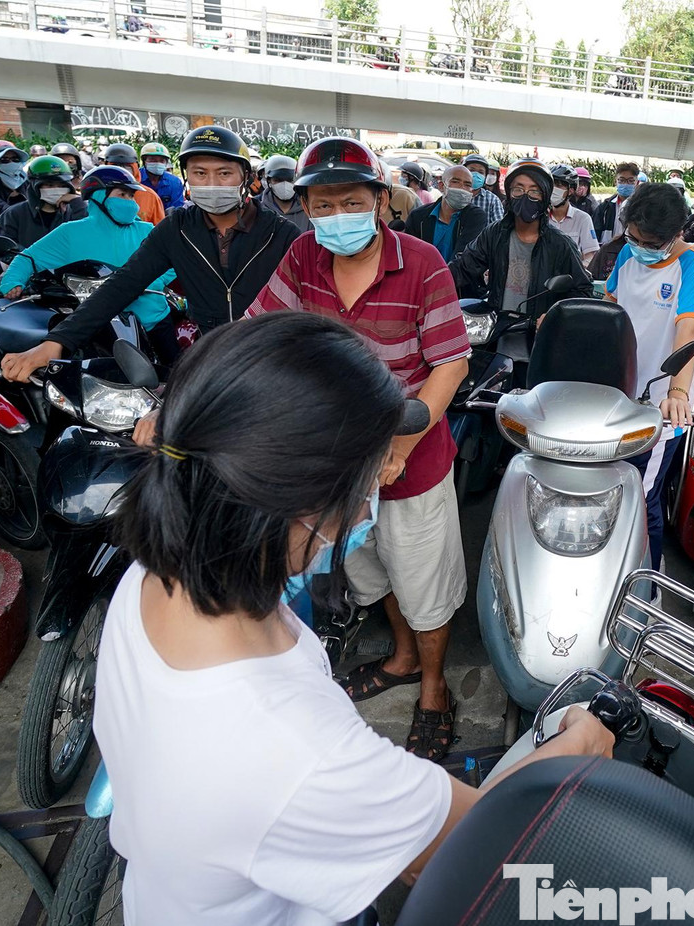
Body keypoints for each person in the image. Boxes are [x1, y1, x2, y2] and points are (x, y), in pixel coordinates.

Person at [95, 310, 615, 925]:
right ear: (306, 506)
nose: (377, 487)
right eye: (371, 472)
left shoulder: (154, 580)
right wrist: (577, 745)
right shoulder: (292, 751)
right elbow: (475, 843)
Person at [246, 137, 474, 760]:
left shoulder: (424, 262)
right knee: (370, 572)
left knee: (424, 583)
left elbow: (449, 365)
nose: (335, 215)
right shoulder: (302, 256)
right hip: (334, 462)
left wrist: (398, 445)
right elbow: (257, 331)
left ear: (380, 201)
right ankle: (400, 658)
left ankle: (433, 686)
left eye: (350, 200)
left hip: (412, 455)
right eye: (322, 204)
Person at [0, 126, 302, 383]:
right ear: (186, 177)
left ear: (246, 176)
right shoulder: (176, 229)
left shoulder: (282, 233)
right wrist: (57, 341)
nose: (211, 183)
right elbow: (123, 284)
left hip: (273, 358)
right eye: (199, 173)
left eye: (224, 173)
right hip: (212, 355)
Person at [605, 182, 694, 572]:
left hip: (660, 406)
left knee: (642, 497)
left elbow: (689, 330)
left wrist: (679, 392)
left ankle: (647, 585)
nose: (639, 247)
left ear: (676, 235)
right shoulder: (626, 256)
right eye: (633, 236)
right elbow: (609, 308)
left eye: (651, 242)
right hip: (614, 397)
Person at [0, 165, 177, 354]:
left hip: (154, 318)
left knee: (175, 373)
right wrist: (13, 280)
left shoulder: (147, 230)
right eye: (122, 195)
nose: (130, 202)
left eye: (131, 196)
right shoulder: (70, 233)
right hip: (98, 323)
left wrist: (155, 280)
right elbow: (28, 258)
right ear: (99, 196)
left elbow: (174, 260)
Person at [450, 159, 593, 318]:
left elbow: (582, 290)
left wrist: (554, 316)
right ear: (509, 194)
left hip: (539, 331)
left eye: (534, 191)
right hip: (498, 327)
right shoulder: (494, 234)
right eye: (518, 189)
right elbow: (463, 268)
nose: (526, 196)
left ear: (545, 196)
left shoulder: (560, 244)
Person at [0, 154, 87, 249]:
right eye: (49, 185)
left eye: (62, 185)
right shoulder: (15, 214)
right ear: (35, 187)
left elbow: (88, 236)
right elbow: (2, 246)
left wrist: (78, 203)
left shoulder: (74, 211)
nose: (56, 189)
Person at [406, 164, 486, 263]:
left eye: (467, 185)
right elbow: (410, 255)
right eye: (455, 182)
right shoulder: (418, 216)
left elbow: (465, 258)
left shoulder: (475, 217)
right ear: (442, 186)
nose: (462, 188)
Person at [99, 142, 166, 225]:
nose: (122, 172)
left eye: (127, 167)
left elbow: (160, 230)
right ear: (106, 166)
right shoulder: (97, 194)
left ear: (136, 167)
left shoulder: (150, 197)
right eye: (116, 166)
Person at [545, 164, 599, 260]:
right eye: (551, 185)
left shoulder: (583, 219)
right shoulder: (542, 217)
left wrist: (580, 270)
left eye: (558, 185)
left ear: (570, 191)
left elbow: (590, 254)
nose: (553, 189)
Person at [258, 154, 312, 233]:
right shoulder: (258, 209)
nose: (285, 185)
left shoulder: (309, 208)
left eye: (290, 180)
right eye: (278, 180)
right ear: (269, 181)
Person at [593, 160, 639, 246]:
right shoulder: (604, 208)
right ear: (615, 182)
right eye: (621, 180)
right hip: (608, 253)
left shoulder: (642, 207)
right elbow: (595, 236)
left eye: (630, 181)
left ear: (637, 183)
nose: (626, 184)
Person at [139, 142, 185, 212]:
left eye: (161, 161)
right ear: (144, 161)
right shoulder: (135, 178)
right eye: (152, 160)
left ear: (166, 163)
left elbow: (177, 209)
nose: (157, 163)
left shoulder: (175, 182)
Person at [461, 153, 505, 224]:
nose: (476, 175)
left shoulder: (492, 200)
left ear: (485, 177)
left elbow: (499, 230)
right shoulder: (455, 194)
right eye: (472, 170)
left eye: (481, 172)